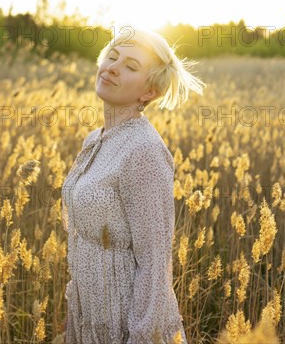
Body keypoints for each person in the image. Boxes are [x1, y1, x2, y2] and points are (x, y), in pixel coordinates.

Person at [61, 27, 206, 343]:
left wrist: (141, 336)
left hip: (124, 318)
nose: (113, 67)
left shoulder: (144, 151)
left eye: (130, 66)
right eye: (112, 57)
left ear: (149, 92)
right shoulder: (95, 139)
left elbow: (155, 263)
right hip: (89, 313)